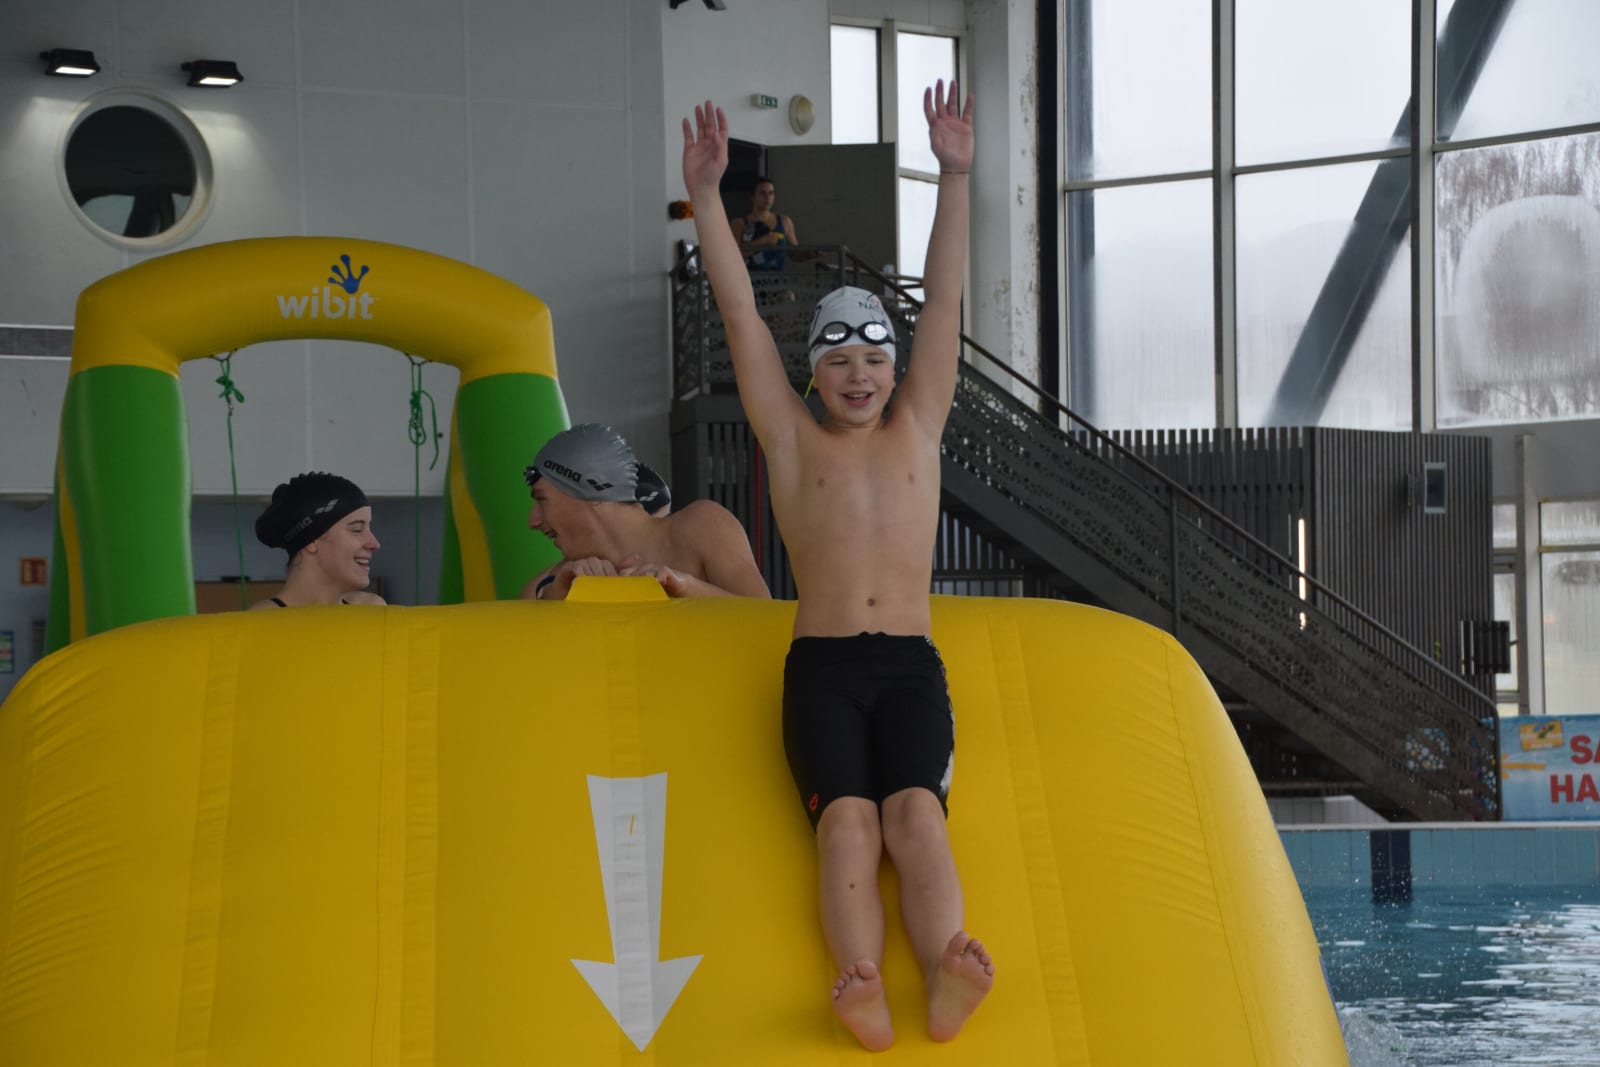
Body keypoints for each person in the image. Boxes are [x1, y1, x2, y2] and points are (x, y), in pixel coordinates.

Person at [682, 80, 992, 1051]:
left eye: (873, 359)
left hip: (908, 667)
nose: (859, 375)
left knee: (916, 817)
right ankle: (859, 983)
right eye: (838, 361)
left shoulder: (919, 426)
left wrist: (954, 176)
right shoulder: (791, 441)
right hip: (820, 669)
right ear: (811, 374)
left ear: (896, 369)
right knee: (847, 826)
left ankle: (944, 970)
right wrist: (707, 199)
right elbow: (741, 314)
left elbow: (942, 302)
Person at [520, 422, 768, 601]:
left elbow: (767, 620)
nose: (533, 521)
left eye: (541, 500)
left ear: (590, 490)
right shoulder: (552, 583)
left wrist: (684, 587)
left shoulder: (702, 528)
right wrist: (556, 600)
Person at [251, 472, 386, 608]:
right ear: (312, 541)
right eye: (356, 529)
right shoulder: (265, 618)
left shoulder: (370, 609)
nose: (375, 544)